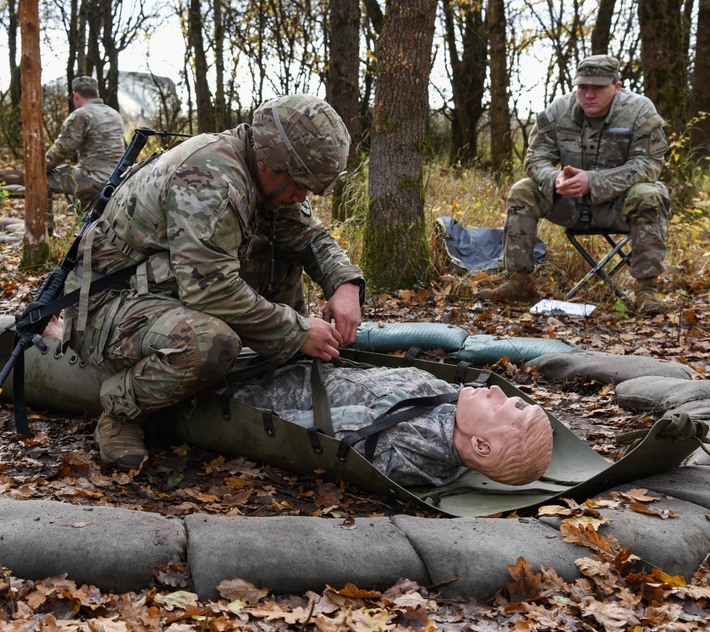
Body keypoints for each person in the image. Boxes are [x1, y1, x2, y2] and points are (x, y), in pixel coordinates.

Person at [61, 93, 365, 468]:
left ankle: (274, 369)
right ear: (269, 162)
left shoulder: (266, 176)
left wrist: (345, 283)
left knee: (283, 249)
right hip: (108, 307)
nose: (301, 196)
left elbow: (308, 238)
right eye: (299, 183)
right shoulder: (208, 179)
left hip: (168, 292)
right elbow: (213, 289)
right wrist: (299, 330)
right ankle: (121, 410)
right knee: (210, 343)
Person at [478, 55, 671, 315]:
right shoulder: (558, 111)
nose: (589, 94)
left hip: (618, 207)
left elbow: (649, 164)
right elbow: (536, 158)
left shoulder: (640, 112)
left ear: (617, 86)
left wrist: (594, 181)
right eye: (583, 87)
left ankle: (646, 292)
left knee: (649, 193)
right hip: (569, 204)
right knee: (523, 189)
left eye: (598, 88)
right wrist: (553, 178)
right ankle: (516, 281)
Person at [227, 363, 554, 487]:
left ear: (482, 446)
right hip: (295, 364)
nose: (497, 390)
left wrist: (225, 398)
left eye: (499, 406)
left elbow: (288, 426)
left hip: (253, 383)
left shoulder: (392, 443)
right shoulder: (450, 416)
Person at [46, 75, 126, 210]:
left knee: (42, 179)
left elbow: (61, 151)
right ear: (97, 94)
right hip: (119, 178)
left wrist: (38, 167)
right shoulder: (114, 114)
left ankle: (44, 229)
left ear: (75, 95)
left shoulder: (81, 115)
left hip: (93, 180)